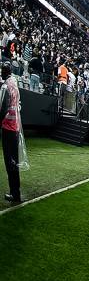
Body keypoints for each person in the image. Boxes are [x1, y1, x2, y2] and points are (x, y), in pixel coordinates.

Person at [0, 62, 24, 203]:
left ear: (5, 72)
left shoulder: (6, 86)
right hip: (15, 127)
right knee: (14, 162)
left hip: (8, 128)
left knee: (10, 163)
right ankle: (16, 193)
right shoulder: (14, 83)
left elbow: (3, 109)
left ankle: (15, 194)